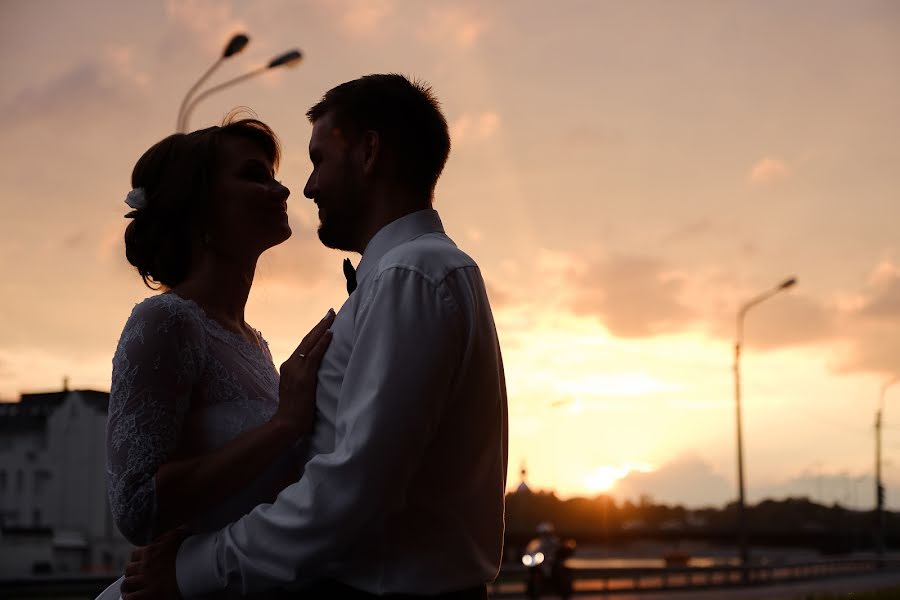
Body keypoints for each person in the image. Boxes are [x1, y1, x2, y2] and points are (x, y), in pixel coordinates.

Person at [122, 74, 509, 599]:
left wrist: (195, 569)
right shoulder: (407, 277)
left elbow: (353, 488)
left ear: (369, 151)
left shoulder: (408, 277)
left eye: (319, 160)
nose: (302, 188)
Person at [97, 114, 334, 600]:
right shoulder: (165, 322)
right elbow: (136, 506)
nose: (283, 191)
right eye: (254, 175)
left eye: (273, 175)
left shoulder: (254, 344)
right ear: (199, 207)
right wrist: (283, 427)